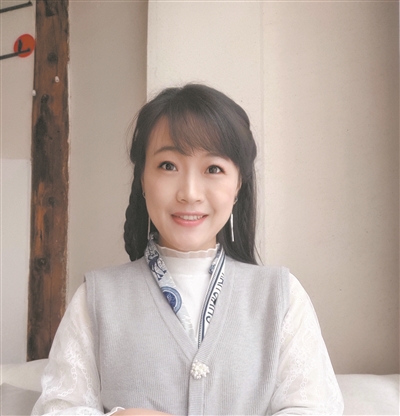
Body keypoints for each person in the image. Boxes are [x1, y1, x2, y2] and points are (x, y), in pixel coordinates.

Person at [32, 84, 344, 416]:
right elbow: (57, 408)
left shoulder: (282, 298)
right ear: (142, 178)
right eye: (168, 165)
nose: (190, 193)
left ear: (238, 184)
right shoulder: (96, 299)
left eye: (213, 169)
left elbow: (314, 409)